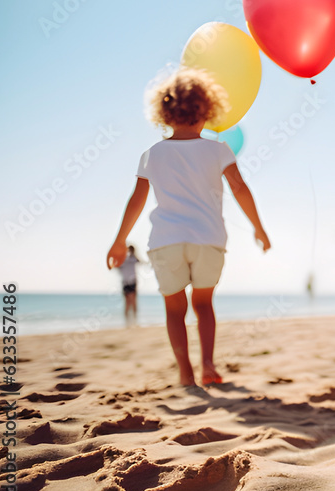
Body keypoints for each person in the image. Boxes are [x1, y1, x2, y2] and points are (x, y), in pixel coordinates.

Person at [107, 67, 270, 387]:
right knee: (204, 304)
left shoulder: (152, 154)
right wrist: (258, 227)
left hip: (166, 242)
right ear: (206, 110)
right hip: (208, 240)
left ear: (165, 113)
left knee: (174, 310)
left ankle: (185, 373)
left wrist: (119, 240)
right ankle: (208, 366)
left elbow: (136, 201)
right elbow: (240, 188)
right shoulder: (219, 149)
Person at [118, 245, 141, 326]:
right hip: (126, 283)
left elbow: (140, 261)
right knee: (128, 303)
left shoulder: (133, 258)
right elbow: (116, 267)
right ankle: (128, 323)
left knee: (133, 303)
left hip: (132, 283)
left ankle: (134, 322)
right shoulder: (124, 259)